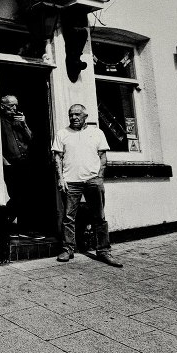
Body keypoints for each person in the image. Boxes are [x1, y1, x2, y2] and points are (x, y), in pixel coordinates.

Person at [52, 103, 122, 267]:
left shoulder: (97, 133)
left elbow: (102, 157)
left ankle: (104, 251)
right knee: (68, 217)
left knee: (99, 217)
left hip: (92, 181)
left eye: (77, 114)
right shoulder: (62, 133)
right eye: (71, 115)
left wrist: (99, 177)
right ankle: (68, 249)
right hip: (71, 181)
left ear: (85, 116)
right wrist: (61, 179)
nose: (73, 117)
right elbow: (57, 158)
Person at [0, 95, 34, 236]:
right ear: (3, 106)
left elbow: (30, 138)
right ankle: (6, 225)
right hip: (10, 163)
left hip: (24, 162)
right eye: (11, 106)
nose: (15, 108)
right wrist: (4, 162)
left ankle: (22, 229)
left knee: (26, 195)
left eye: (16, 105)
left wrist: (24, 124)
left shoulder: (19, 120)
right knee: (15, 195)